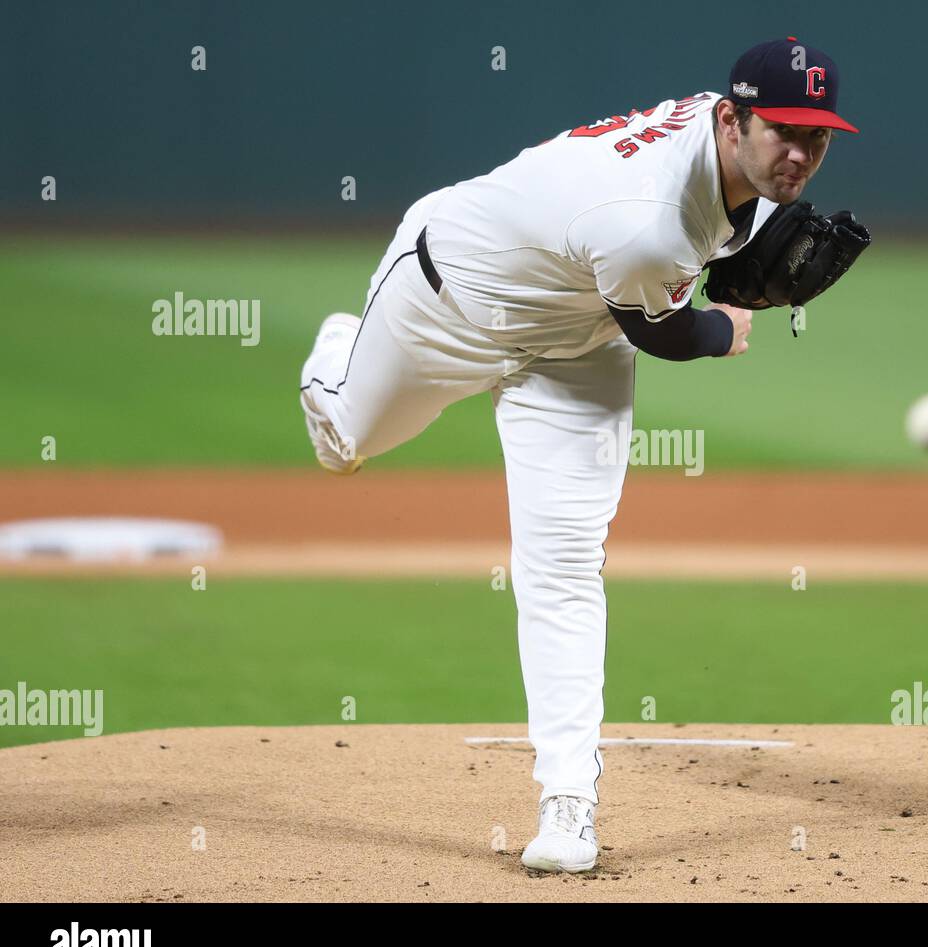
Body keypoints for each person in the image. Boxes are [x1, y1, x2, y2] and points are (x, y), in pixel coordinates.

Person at [299, 37, 859, 873]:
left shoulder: (718, 145)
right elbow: (666, 331)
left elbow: (688, 253)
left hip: (575, 344)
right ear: (733, 118)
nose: (801, 154)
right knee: (345, 443)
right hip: (451, 301)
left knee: (561, 566)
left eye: (817, 138)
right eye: (785, 131)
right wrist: (727, 327)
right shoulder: (645, 222)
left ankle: (569, 806)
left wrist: (735, 247)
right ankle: (340, 352)